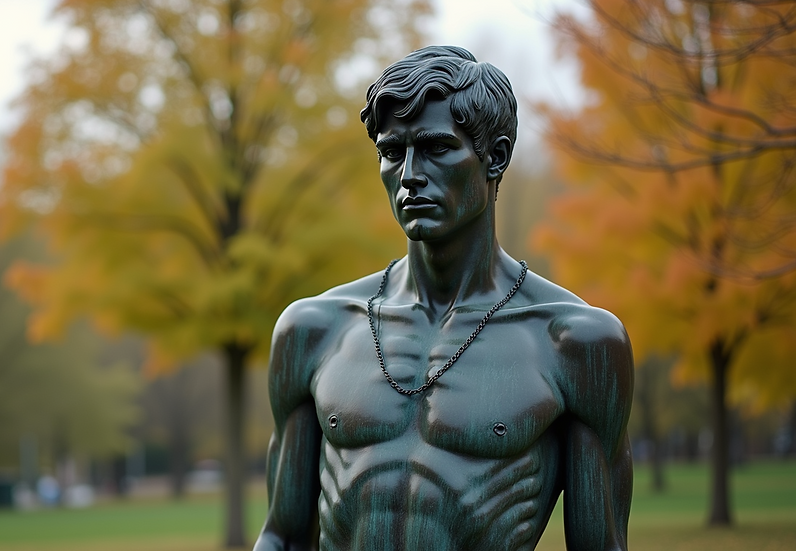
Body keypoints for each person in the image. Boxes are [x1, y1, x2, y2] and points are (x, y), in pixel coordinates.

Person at [253, 46, 633, 551]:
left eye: (436, 148)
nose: (410, 174)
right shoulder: (315, 330)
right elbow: (282, 538)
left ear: (495, 157)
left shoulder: (574, 343)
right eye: (392, 152)